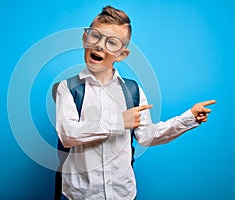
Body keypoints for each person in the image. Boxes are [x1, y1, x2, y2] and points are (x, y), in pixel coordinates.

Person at [54, 5, 216, 200]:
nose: (99, 46)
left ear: (122, 54)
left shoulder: (133, 91)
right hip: (80, 195)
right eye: (95, 36)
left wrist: (189, 118)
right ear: (84, 39)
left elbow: (147, 136)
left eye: (112, 43)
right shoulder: (68, 88)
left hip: (124, 194)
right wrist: (118, 122)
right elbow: (67, 134)